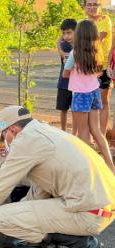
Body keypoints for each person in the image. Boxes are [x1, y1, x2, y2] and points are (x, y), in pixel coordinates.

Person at [0, 105, 115, 248]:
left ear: (13, 130)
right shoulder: (44, 131)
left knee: (2, 217)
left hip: (90, 214)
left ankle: (81, 244)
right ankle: (47, 246)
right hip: (104, 208)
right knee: (13, 215)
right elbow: (40, 189)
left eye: (3, 135)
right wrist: (19, 219)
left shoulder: (25, 141)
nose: (2, 141)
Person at [63, 20, 115, 173]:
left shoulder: (75, 53)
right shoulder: (97, 52)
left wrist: (70, 67)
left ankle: (90, 169)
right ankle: (110, 166)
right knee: (96, 131)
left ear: (79, 34)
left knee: (83, 133)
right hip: (94, 92)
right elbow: (97, 72)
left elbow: (65, 73)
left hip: (80, 95)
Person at [84, 0, 113, 136]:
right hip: (87, 66)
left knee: (103, 100)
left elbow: (97, 39)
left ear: (100, 7)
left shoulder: (105, 19)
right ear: (84, 7)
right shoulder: (81, 23)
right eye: (89, 4)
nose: (92, 7)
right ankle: (89, 134)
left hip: (103, 66)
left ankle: (101, 135)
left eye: (95, 4)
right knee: (88, 100)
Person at [56, 18, 77, 133]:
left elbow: (68, 56)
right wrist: (59, 45)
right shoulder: (64, 45)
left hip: (76, 85)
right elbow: (65, 56)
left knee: (75, 110)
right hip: (64, 83)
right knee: (63, 109)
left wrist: (58, 45)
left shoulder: (79, 46)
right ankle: (63, 132)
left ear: (76, 32)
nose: (66, 36)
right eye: (64, 33)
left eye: (69, 33)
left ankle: (75, 133)